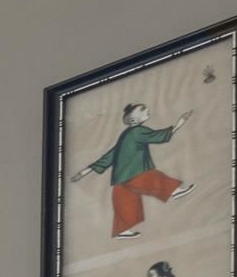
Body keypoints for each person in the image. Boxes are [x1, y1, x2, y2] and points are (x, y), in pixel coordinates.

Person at [71, 100, 186, 236]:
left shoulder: (125, 135)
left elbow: (110, 155)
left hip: (120, 177)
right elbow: (157, 137)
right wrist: (178, 125)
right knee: (152, 178)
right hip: (134, 172)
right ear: (132, 120)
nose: (146, 110)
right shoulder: (137, 131)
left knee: (125, 202)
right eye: (142, 110)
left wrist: (85, 171)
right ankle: (174, 191)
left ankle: (123, 231)